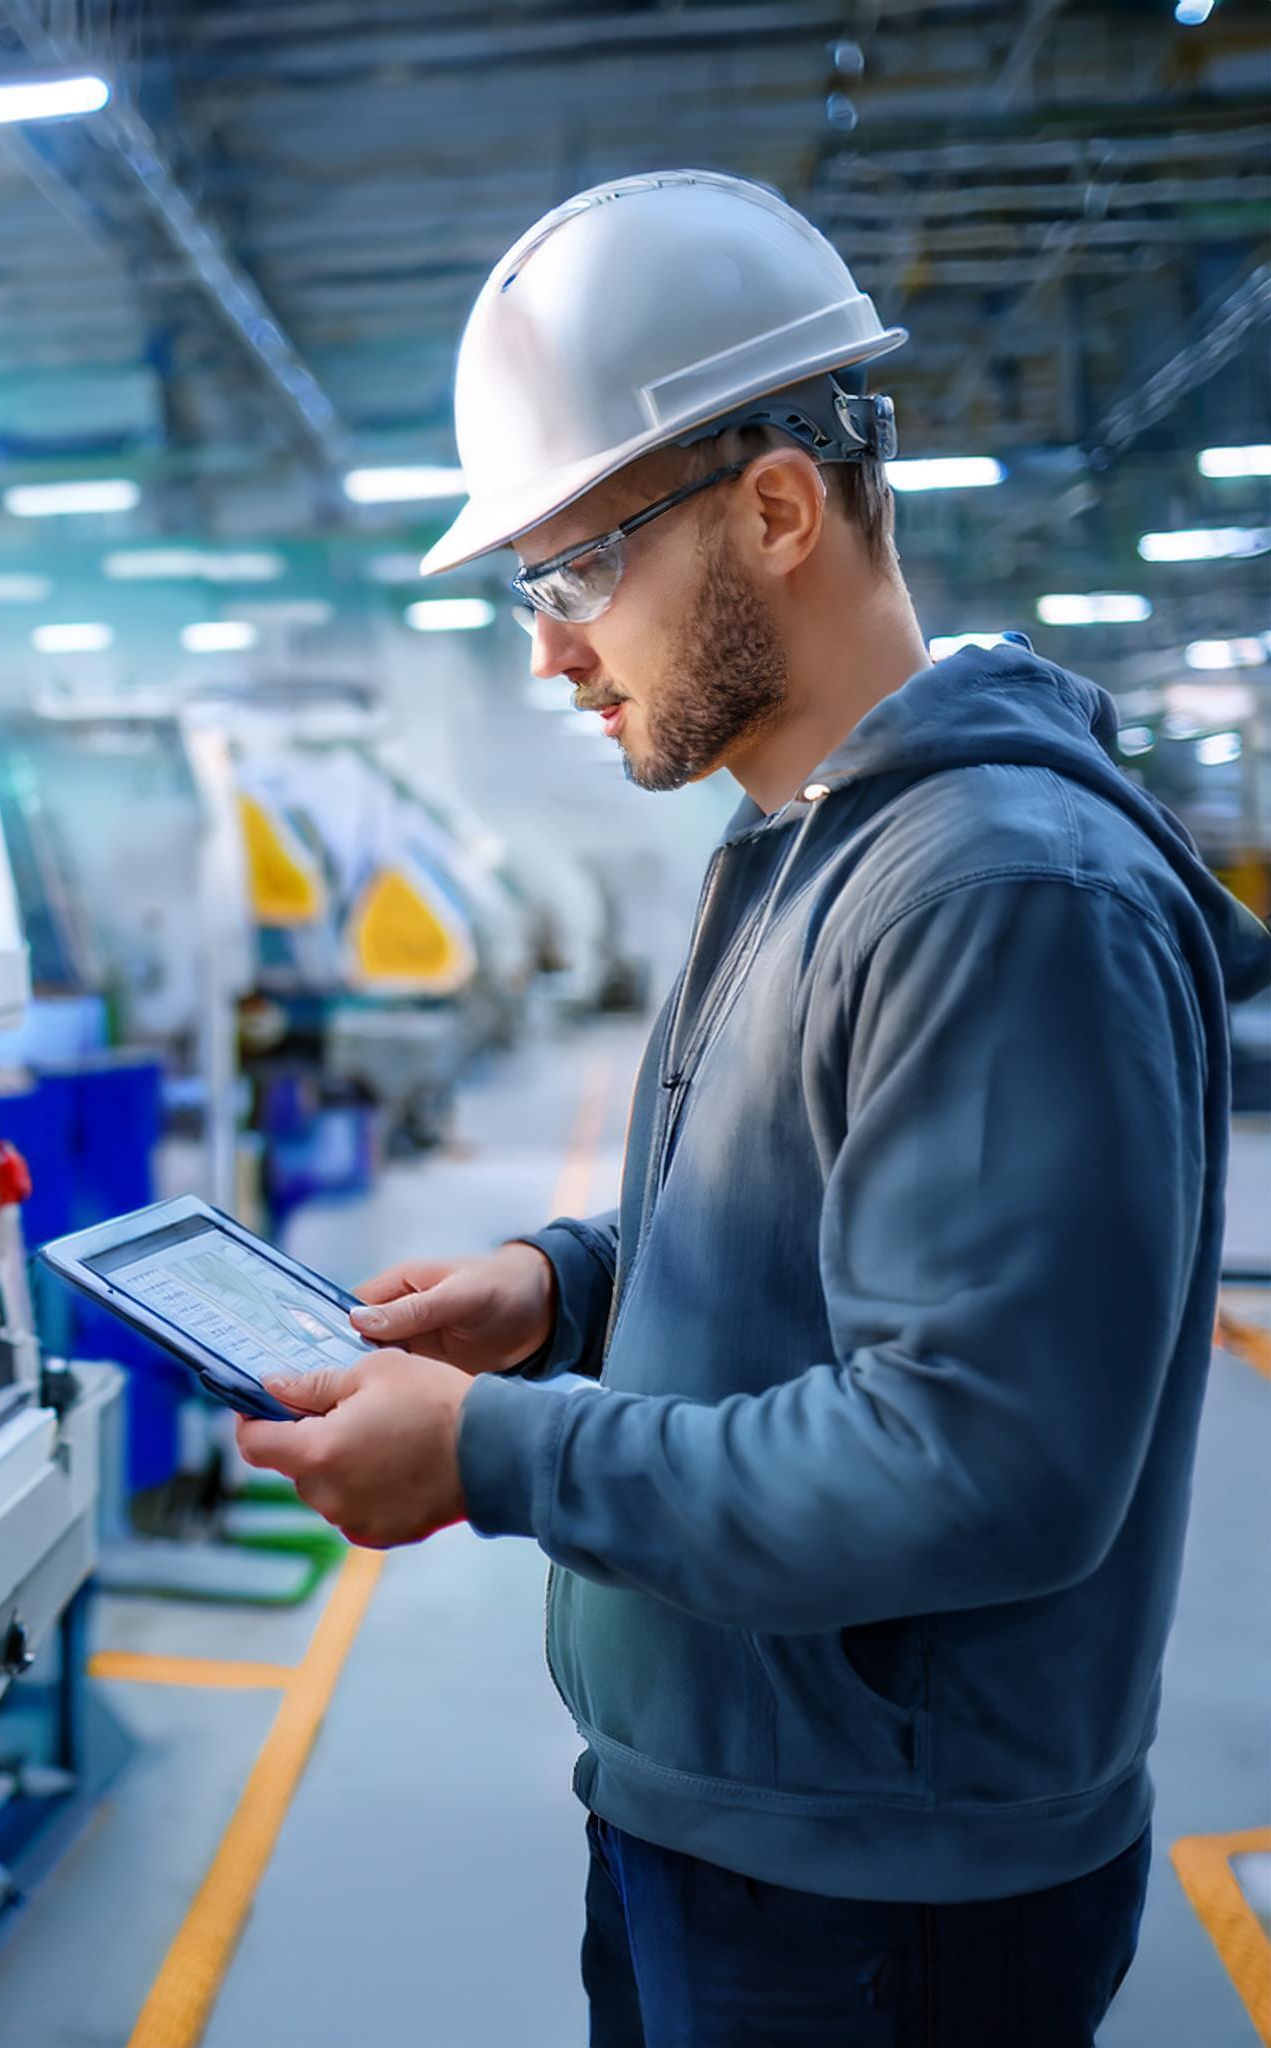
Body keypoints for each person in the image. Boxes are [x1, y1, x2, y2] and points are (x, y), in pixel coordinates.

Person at [233, 170, 1271, 2048]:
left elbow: (982, 1470)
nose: (546, 647)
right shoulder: (802, 842)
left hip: (878, 1898)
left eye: (574, 572)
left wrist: (498, 1453)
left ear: (777, 507)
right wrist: (568, 1287)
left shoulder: (996, 889)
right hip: (733, 1814)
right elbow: (810, 1213)